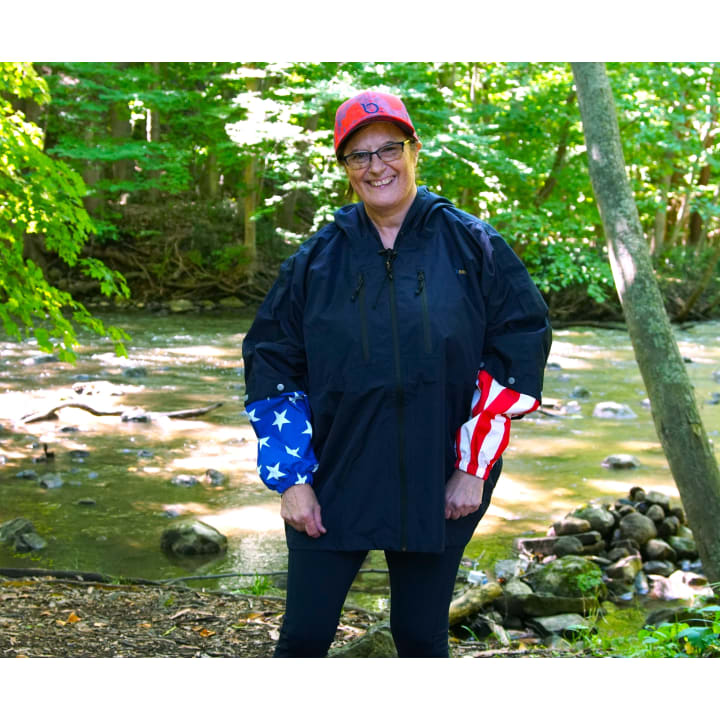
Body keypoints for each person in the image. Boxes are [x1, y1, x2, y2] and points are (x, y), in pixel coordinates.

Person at [242, 90, 552, 657]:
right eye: (358, 155)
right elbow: (272, 364)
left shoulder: (474, 246)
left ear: (415, 151)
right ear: (344, 169)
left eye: (389, 149)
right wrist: (293, 479)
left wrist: (471, 466)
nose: (376, 166)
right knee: (304, 637)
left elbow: (518, 348)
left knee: (419, 635)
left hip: (441, 475)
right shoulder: (314, 261)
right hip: (333, 474)